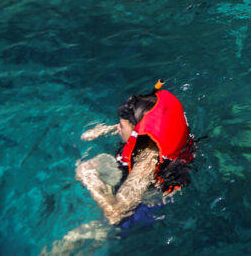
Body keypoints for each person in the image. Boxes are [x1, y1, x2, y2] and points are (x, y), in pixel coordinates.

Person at [75, 81, 196, 227]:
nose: (118, 128)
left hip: (151, 200)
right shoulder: (147, 131)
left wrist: (89, 179)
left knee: (94, 229)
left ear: (135, 131)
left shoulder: (146, 163)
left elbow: (115, 214)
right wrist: (107, 129)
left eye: (121, 126)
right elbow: (142, 127)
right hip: (156, 162)